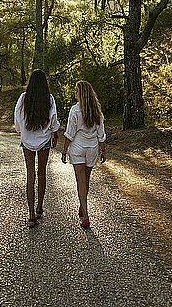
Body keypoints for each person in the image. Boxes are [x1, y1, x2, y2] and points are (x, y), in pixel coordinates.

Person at [14, 69, 60, 228]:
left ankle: (31, 215)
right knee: (42, 173)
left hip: (27, 141)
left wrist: (21, 133)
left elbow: (17, 118)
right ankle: (39, 206)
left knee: (30, 176)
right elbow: (53, 119)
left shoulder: (23, 98)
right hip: (44, 140)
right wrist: (55, 134)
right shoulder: (49, 99)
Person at [62, 80, 106, 230]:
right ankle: (83, 206)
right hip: (92, 148)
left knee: (80, 181)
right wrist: (103, 150)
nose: (74, 92)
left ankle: (86, 215)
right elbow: (101, 134)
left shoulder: (75, 111)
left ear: (81, 93)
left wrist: (64, 150)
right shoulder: (97, 111)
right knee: (85, 180)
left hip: (78, 148)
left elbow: (70, 134)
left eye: (76, 90)